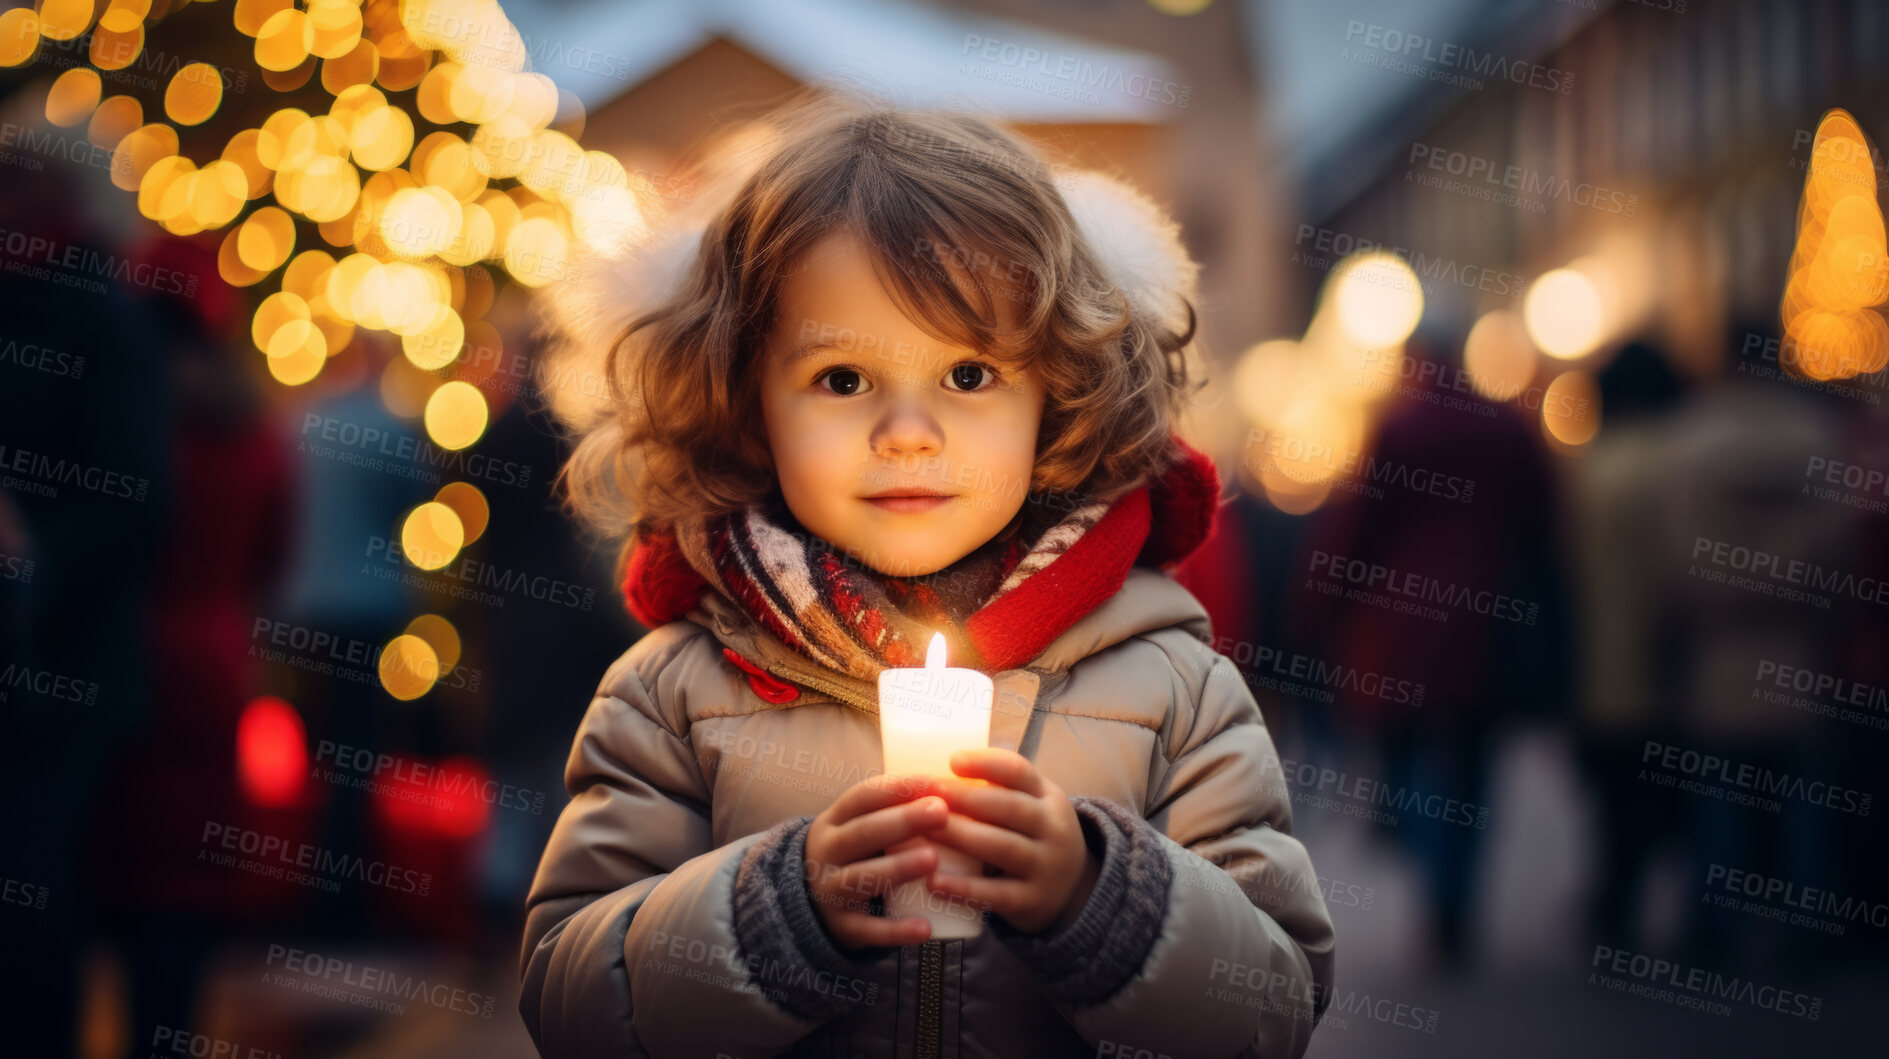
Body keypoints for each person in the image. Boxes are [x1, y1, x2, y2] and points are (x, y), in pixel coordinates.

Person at [518, 92, 1335, 1058]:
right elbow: (568, 1001)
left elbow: (1272, 1004)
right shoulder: (674, 690)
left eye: (968, 375)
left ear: (1058, 394)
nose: (907, 434)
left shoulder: (1173, 691)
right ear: (745, 402)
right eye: (843, 380)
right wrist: (777, 913)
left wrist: (1097, 894)